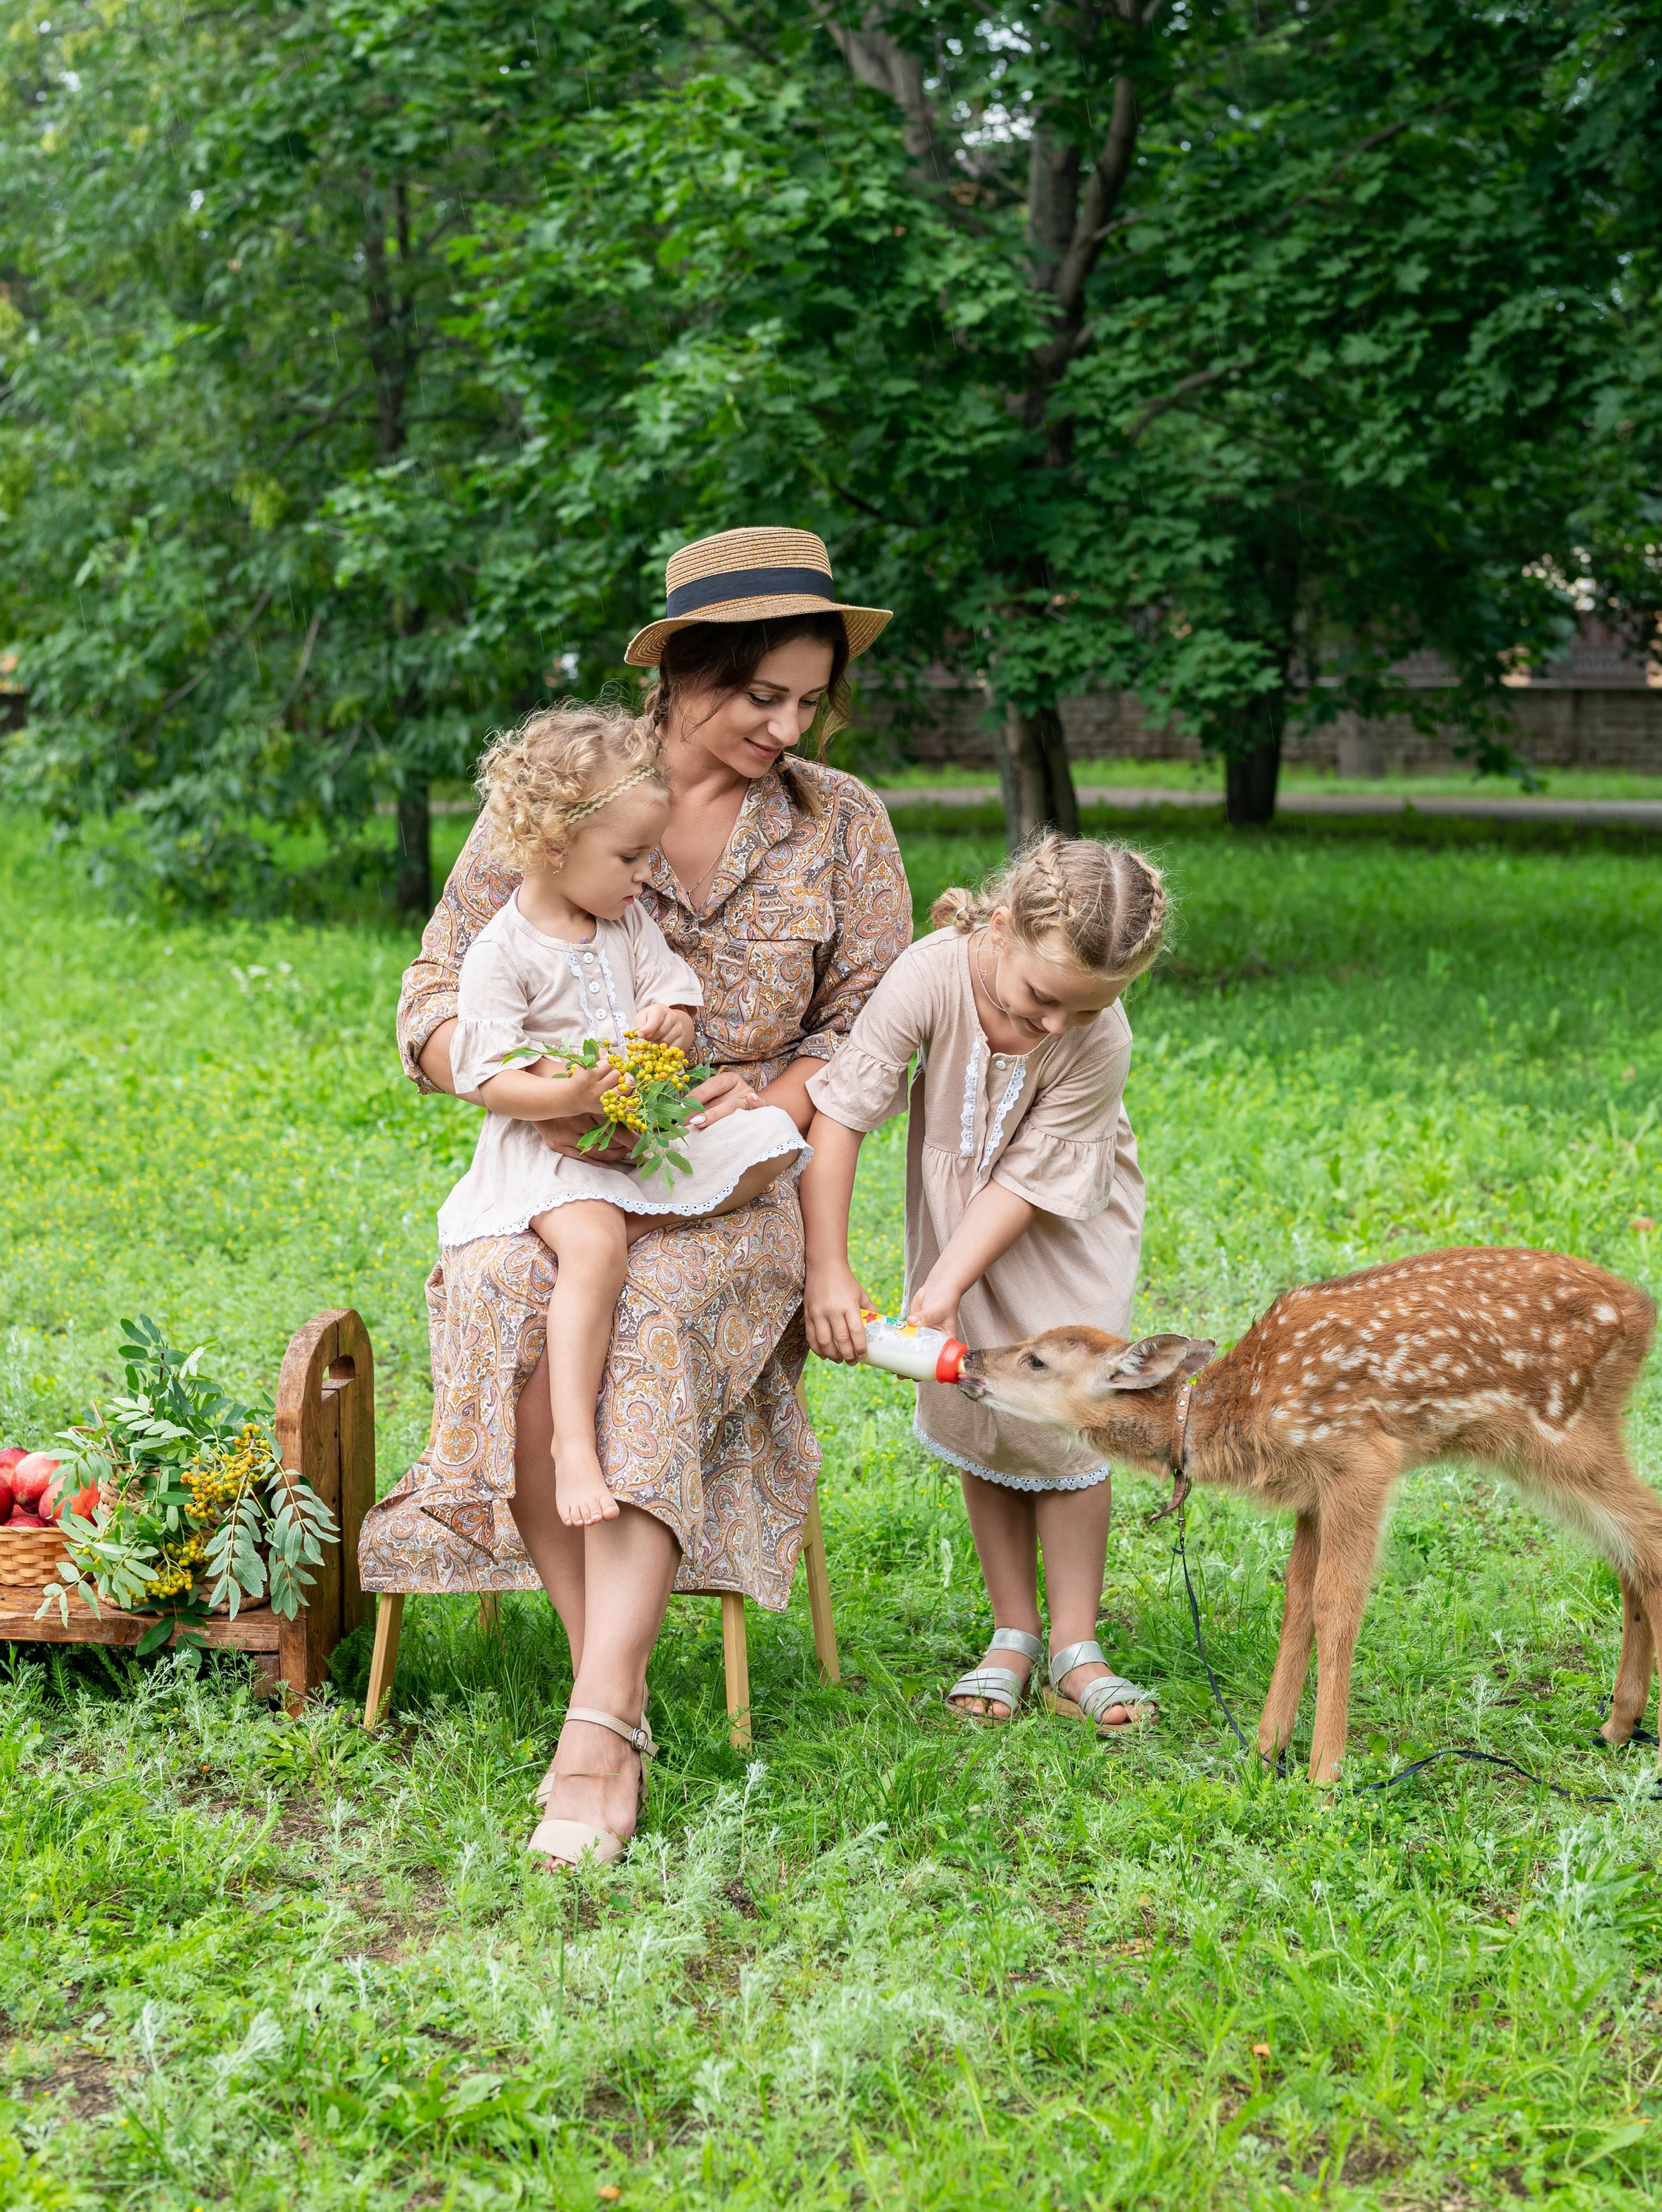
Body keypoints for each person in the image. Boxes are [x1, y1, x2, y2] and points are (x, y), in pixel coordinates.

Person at [358, 527, 912, 1868]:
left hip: (729, 1189)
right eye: (757, 696)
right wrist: (535, 1089)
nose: (787, 725)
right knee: (510, 1290)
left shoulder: (842, 825)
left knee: (653, 1315)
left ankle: (597, 1726)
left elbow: (880, 1023)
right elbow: (434, 996)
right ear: (680, 676)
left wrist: (773, 1095)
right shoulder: (558, 798)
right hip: (554, 1162)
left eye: (807, 699)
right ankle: (613, 1691)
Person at [801, 833, 1169, 1736]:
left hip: (1058, 1215)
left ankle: (1078, 1645)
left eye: (1081, 1011)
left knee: (1068, 1415)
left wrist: (939, 1284)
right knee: (982, 1400)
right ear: (999, 928)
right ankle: (1014, 1629)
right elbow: (842, 1115)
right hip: (960, 1202)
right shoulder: (928, 978)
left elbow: (1027, 1185)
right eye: (1043, 999)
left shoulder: (1097, 1033)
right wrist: (830, 1266)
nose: (1056, 1027)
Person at [438, 703, 807, 1535]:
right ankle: (574, 1440)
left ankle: (641, 1213)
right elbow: (487, 1074)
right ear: (554, 846)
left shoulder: (625, 920)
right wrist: (564, 1098)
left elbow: (667, 981)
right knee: (595, 1244)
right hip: (550, 1151)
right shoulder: (504, 952)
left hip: (637, 1135)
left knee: (772, 1141)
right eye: (632, 857)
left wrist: (673, 1017)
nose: (648, 875)